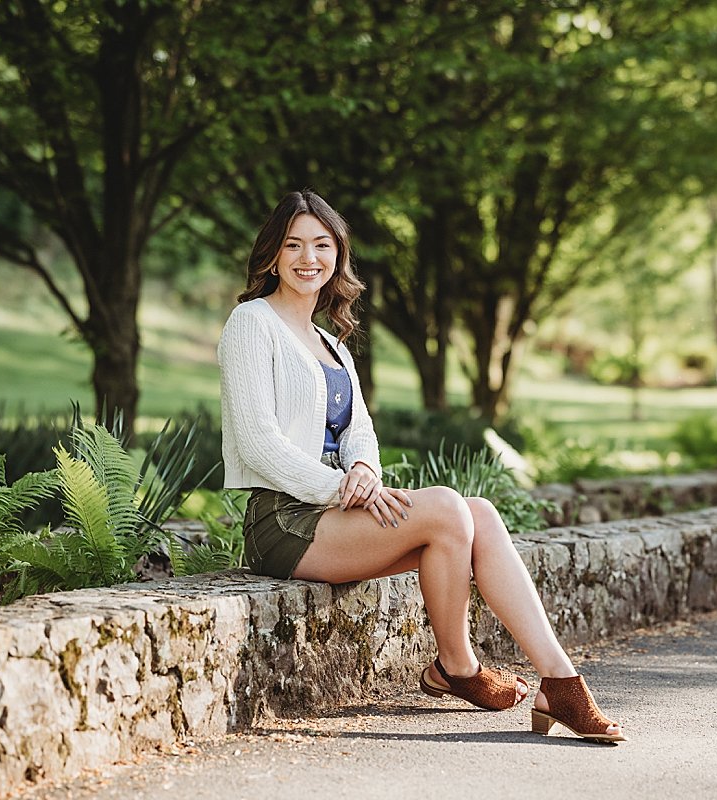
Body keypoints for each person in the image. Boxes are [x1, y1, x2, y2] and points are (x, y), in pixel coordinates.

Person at [218, 190, 623, 742]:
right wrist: (343, 487)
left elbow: (359, 428)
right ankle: (459, 668)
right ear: (272, 254)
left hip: (337, 511)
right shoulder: (251, 323)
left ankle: (558, 679)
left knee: (477, 513)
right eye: (293, 245)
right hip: (284, 523)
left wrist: (363, 470)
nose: (308, 258)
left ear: (338, 254)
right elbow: (258, 440)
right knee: (449, 509)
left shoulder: (331, 342)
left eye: (322, 244)